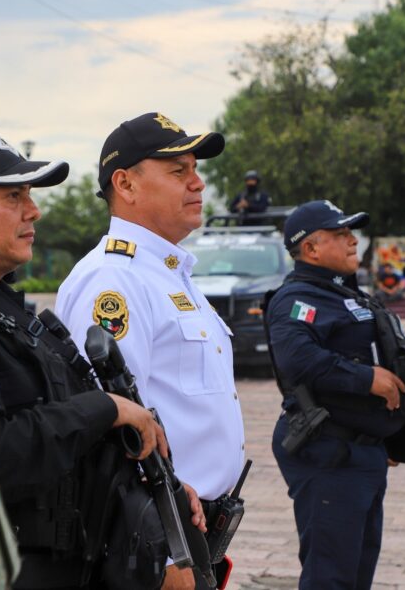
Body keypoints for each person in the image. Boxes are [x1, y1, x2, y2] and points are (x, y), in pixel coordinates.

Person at [0, 127, 194, 589]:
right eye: (13, 196)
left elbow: (66, 444)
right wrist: (102, 409)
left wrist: (157, 497)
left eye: (29, 194)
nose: (34, 210)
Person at [57, 112, 246, 590]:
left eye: (195, 170)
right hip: (155, 537)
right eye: (178, 171)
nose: (198, 183)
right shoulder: (114, 279)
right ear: (126, 184)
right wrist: (163, 553)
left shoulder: (166, 272)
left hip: (191, 529)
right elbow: (107, 426)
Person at [265, 200, 405, 590]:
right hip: (329, 452)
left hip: (363, 451)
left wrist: (382, 433)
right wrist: (366, 379)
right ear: (310, 248)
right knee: (330, 575)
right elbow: (298, 359)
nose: (353, 241)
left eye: (351, 233)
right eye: (341, 234)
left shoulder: (345, 293)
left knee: (357, 568)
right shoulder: (297, 299)